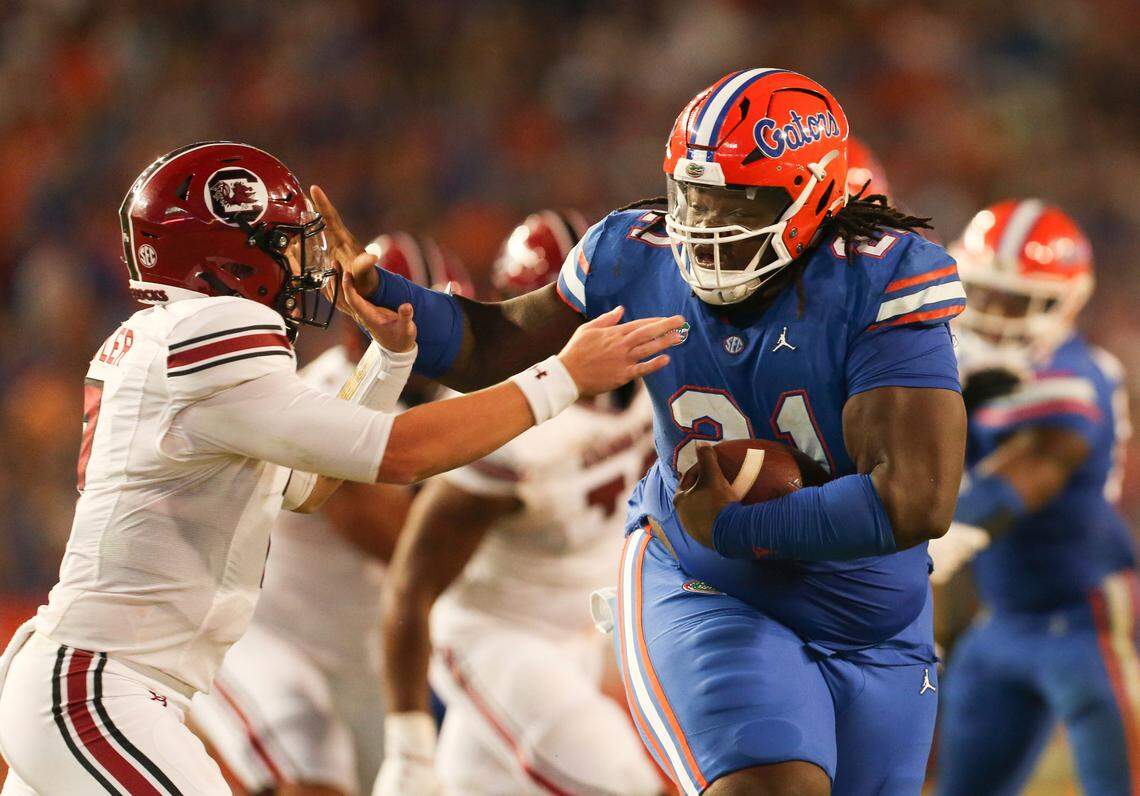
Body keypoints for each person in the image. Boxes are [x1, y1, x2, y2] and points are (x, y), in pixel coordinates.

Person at [315, 68, 967, 795]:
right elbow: (501, 344)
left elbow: (913, 502)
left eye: (736, 202)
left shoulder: (885, 282)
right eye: (695, 197)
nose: (705, 226)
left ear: (812, 193)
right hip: (711, 586)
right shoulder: (635, 254)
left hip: (872, 619)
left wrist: (748, 525)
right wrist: (392, 299)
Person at [0, 141, 681, 795]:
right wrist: (560, 376)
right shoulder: (213, 332)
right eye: (281, 244)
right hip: (101, 685)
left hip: (101, 678)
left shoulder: (166, 340)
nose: (302, 265)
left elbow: (309, 487)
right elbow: (402, 453)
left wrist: (385, 363)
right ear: (225, 257)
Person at [374, 211, 662, 796]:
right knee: (629, 783)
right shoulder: (512, 429)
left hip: (590, 626)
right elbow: (412, 583)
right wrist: (408, 743)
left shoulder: (655, 369)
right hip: (500, 637)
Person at [188, 234, 471, 796]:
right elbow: (396, 540)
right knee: (312, 774)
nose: (423, 336)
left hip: (366, 655)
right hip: (265, 637)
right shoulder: (322, 396)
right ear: (355, 325)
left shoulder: (451, 396)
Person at [930, 200, 1136, 795]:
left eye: (1014, 299)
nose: (992, 315)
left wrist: (939, 540)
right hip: (1002, 620)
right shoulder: (950, 362)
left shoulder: (1074, 375)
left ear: (1062, 301)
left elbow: (1027, 475)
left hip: (1087, 618)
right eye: (984, 293)